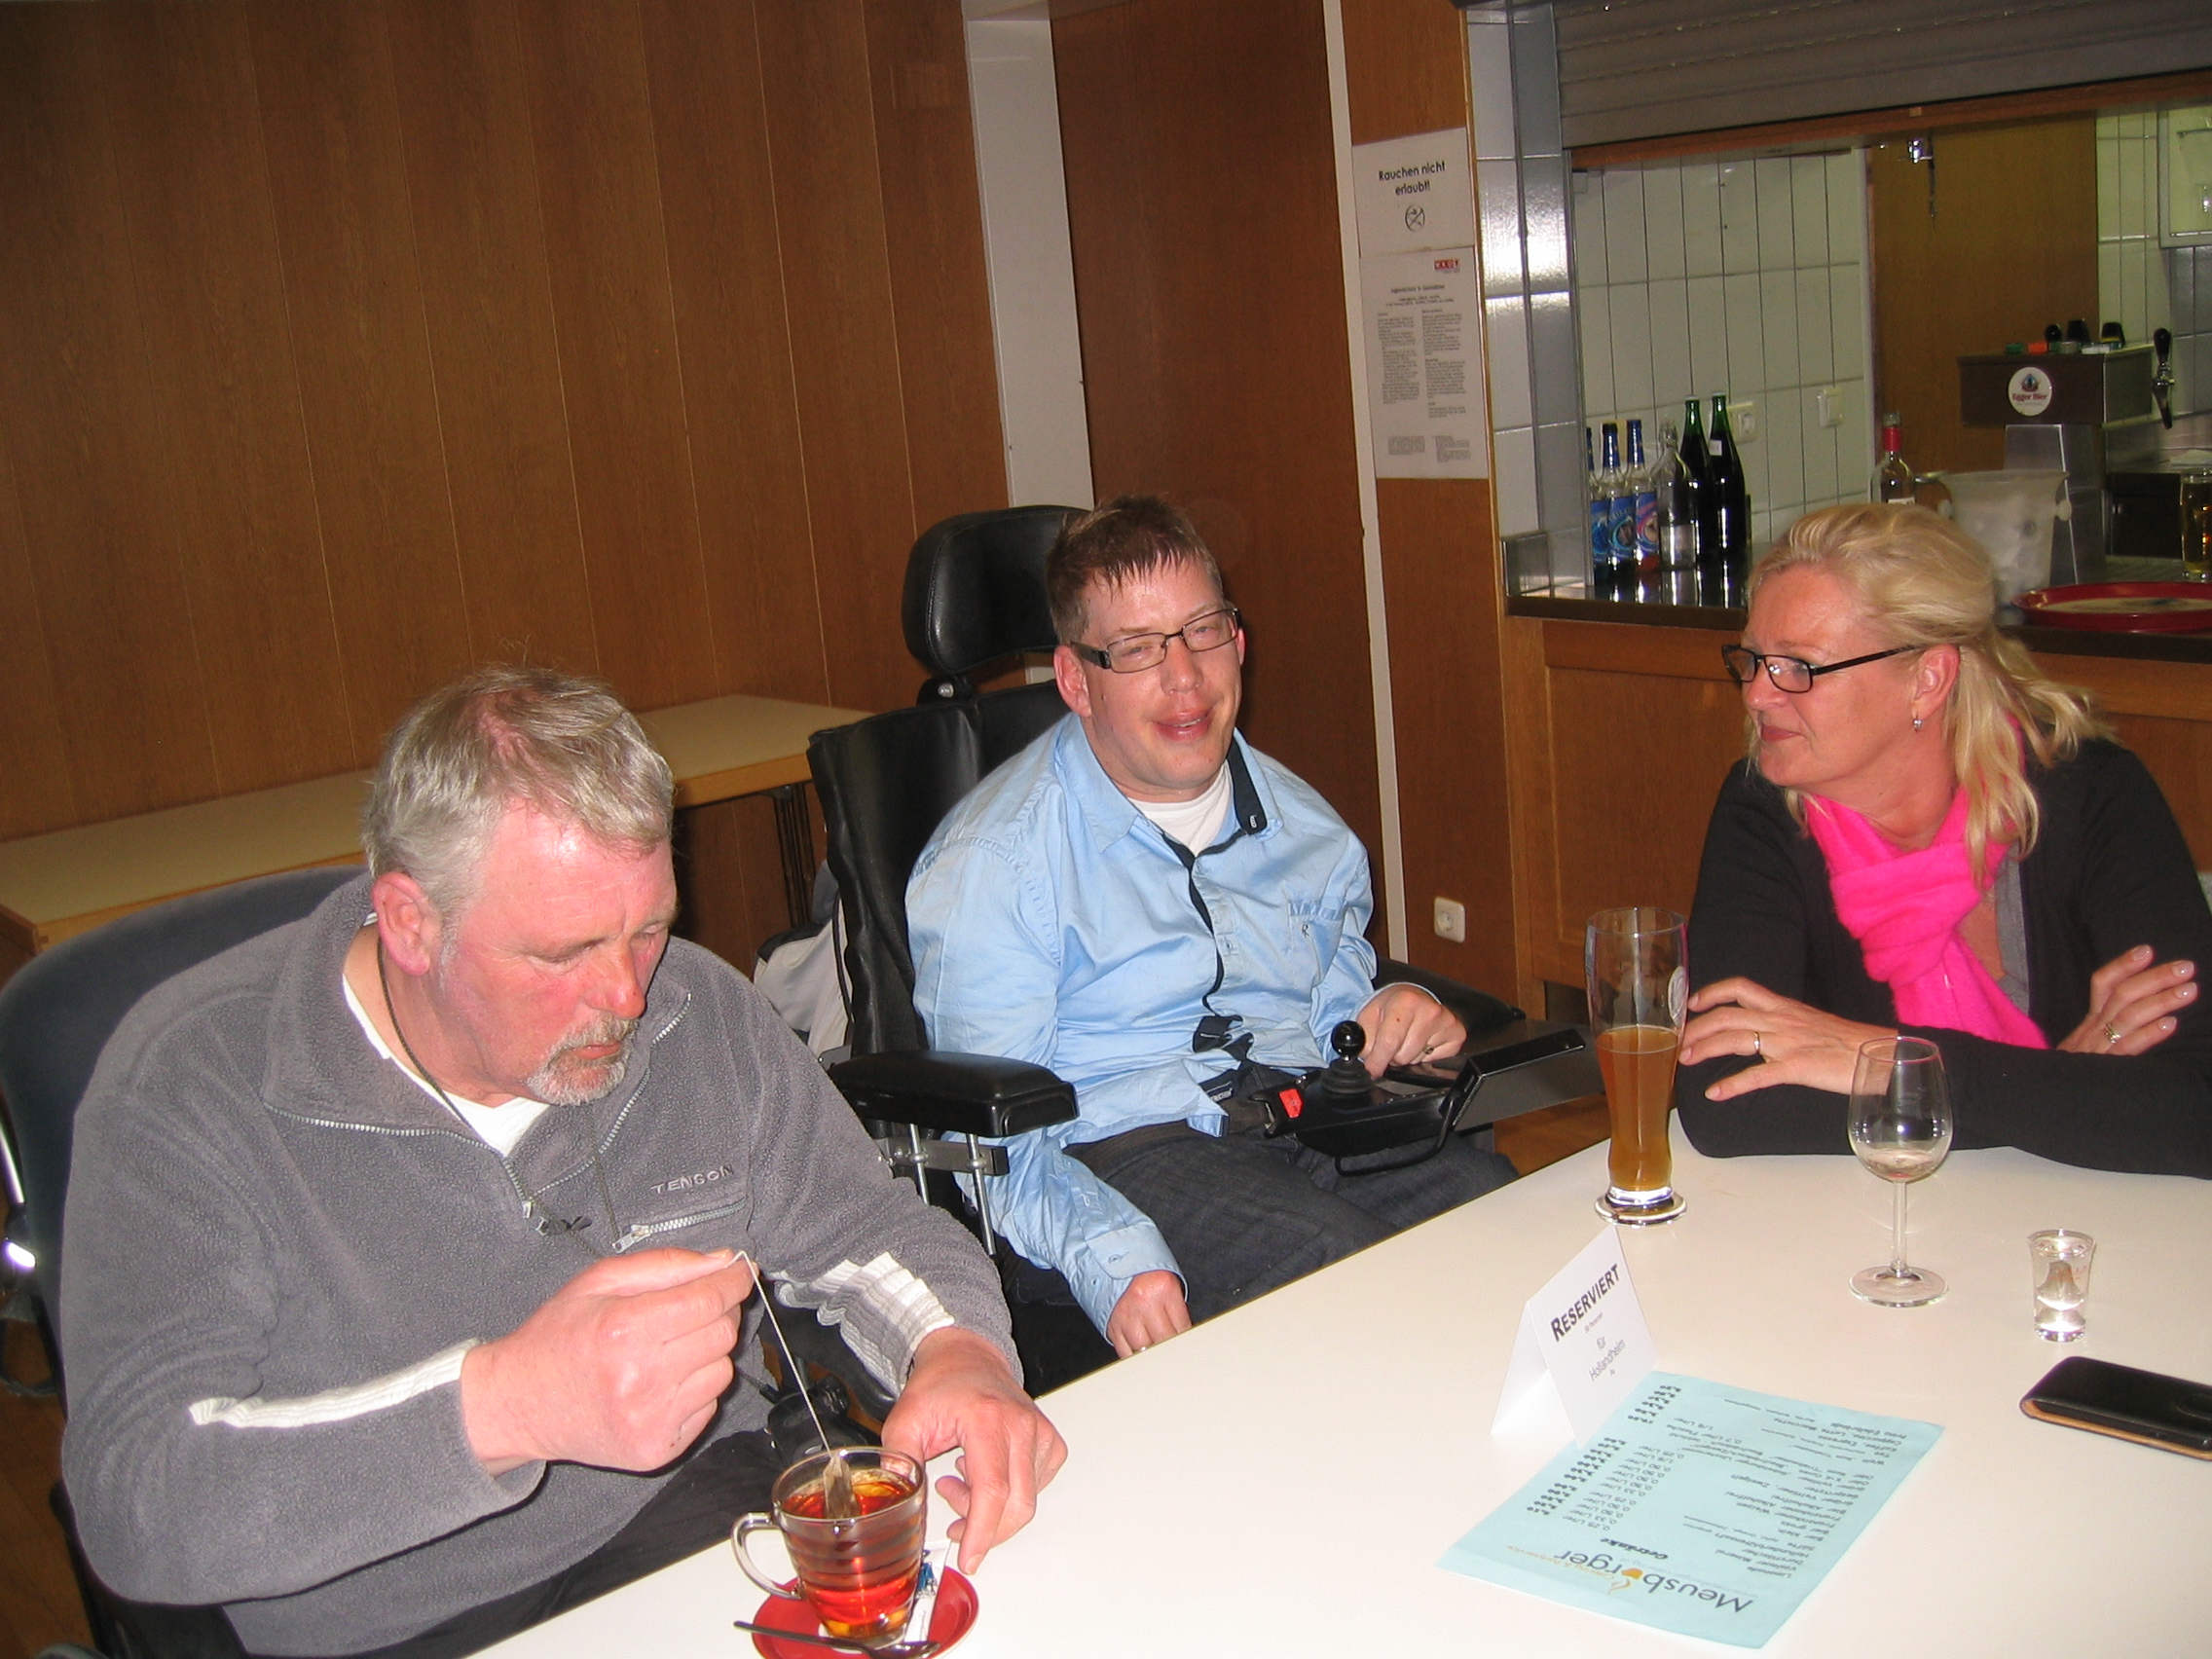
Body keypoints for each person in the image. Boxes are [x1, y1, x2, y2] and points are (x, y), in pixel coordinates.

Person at [59, 666, 1064, 1659]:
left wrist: (958, 1351)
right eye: (563, 953)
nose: (627, 996)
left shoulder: (694, 1011)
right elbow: (138, 1492)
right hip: (387, 1619)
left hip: (685, 1531)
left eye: (648, 928)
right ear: (410, 924)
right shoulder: (191, 1084)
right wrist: (507, 1406)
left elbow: (862, 1230)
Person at [906, 496, 1518, 1360]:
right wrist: (1110, 1258)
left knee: (1501, 1225)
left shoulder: (1311, 832)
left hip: (1299, 1114)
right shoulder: (992, 865)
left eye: (1202, 631)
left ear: (1238, 639)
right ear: (1076, 682)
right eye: (1138, 649)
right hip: (1118, 1151)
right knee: (1348, 1286)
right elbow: (990, 1139)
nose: (1185, 678)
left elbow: (1334, 1013)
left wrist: (1388, 1016)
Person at [1676, 503, 2212, 1178]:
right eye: (1753, 660)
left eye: (1800, 666)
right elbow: (1725, 1103)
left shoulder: (2091, 795)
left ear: (1928, 680)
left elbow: (2197, 1109)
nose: (1757, 695)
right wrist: (2058, 1083)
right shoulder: (1765, 809)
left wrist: (1881, 1062)